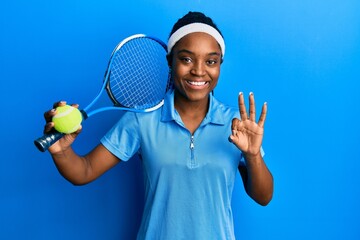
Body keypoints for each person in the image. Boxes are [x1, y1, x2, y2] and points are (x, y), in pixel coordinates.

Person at [43, 11, 273, 240]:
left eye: (211, 61)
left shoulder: (237, 125)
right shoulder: (142, 119)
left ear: (219, 65)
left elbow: (263, 197)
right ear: (170, 61)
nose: (199, 70)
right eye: (186, 59)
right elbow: (84, 171)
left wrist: (253, 155)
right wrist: (61, 151)